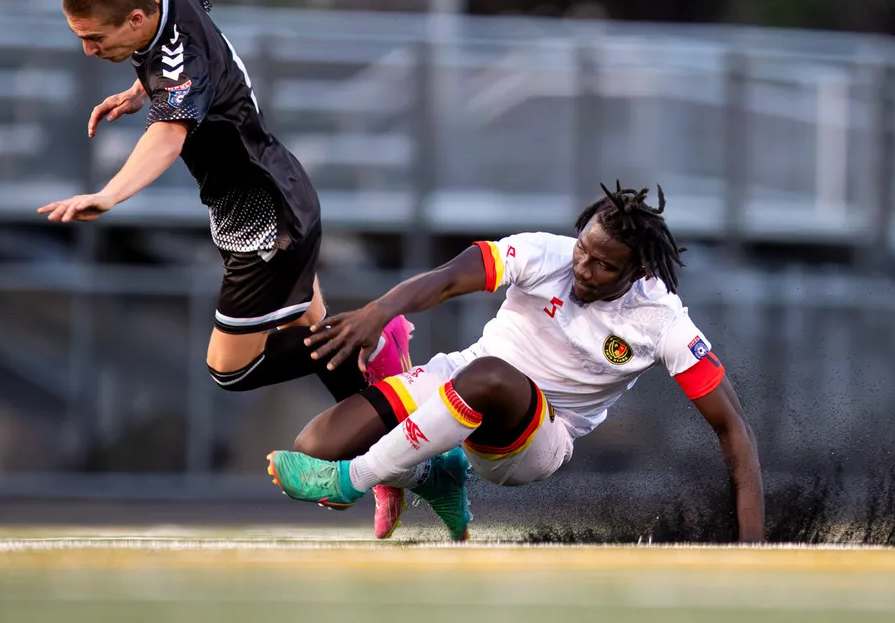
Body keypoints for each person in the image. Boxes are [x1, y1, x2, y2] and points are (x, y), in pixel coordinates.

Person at [37, 0, 412, 537]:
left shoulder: (174, 53)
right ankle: (397, 459)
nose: (87, 50)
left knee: (231, 372)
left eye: (94, 38)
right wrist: (145, 87)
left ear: (138, 18)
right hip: (278, 190)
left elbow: (167, 136)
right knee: (323, 345)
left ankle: (379, 338)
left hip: (264, 221)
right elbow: (191, 34)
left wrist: (108, 195)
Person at [263, 183, 765, 543]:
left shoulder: (663, 322)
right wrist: (378, 311)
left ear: (638, 270)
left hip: (538, 438)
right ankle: (432, 475)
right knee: (316, 444)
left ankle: (354, 480)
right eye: (583, 251)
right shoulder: (545, 253)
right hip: (464, 375)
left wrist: (753, 546)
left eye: (603, 265)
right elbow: (447, 277)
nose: (582, 269)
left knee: (490, 377)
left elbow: (733, 427)